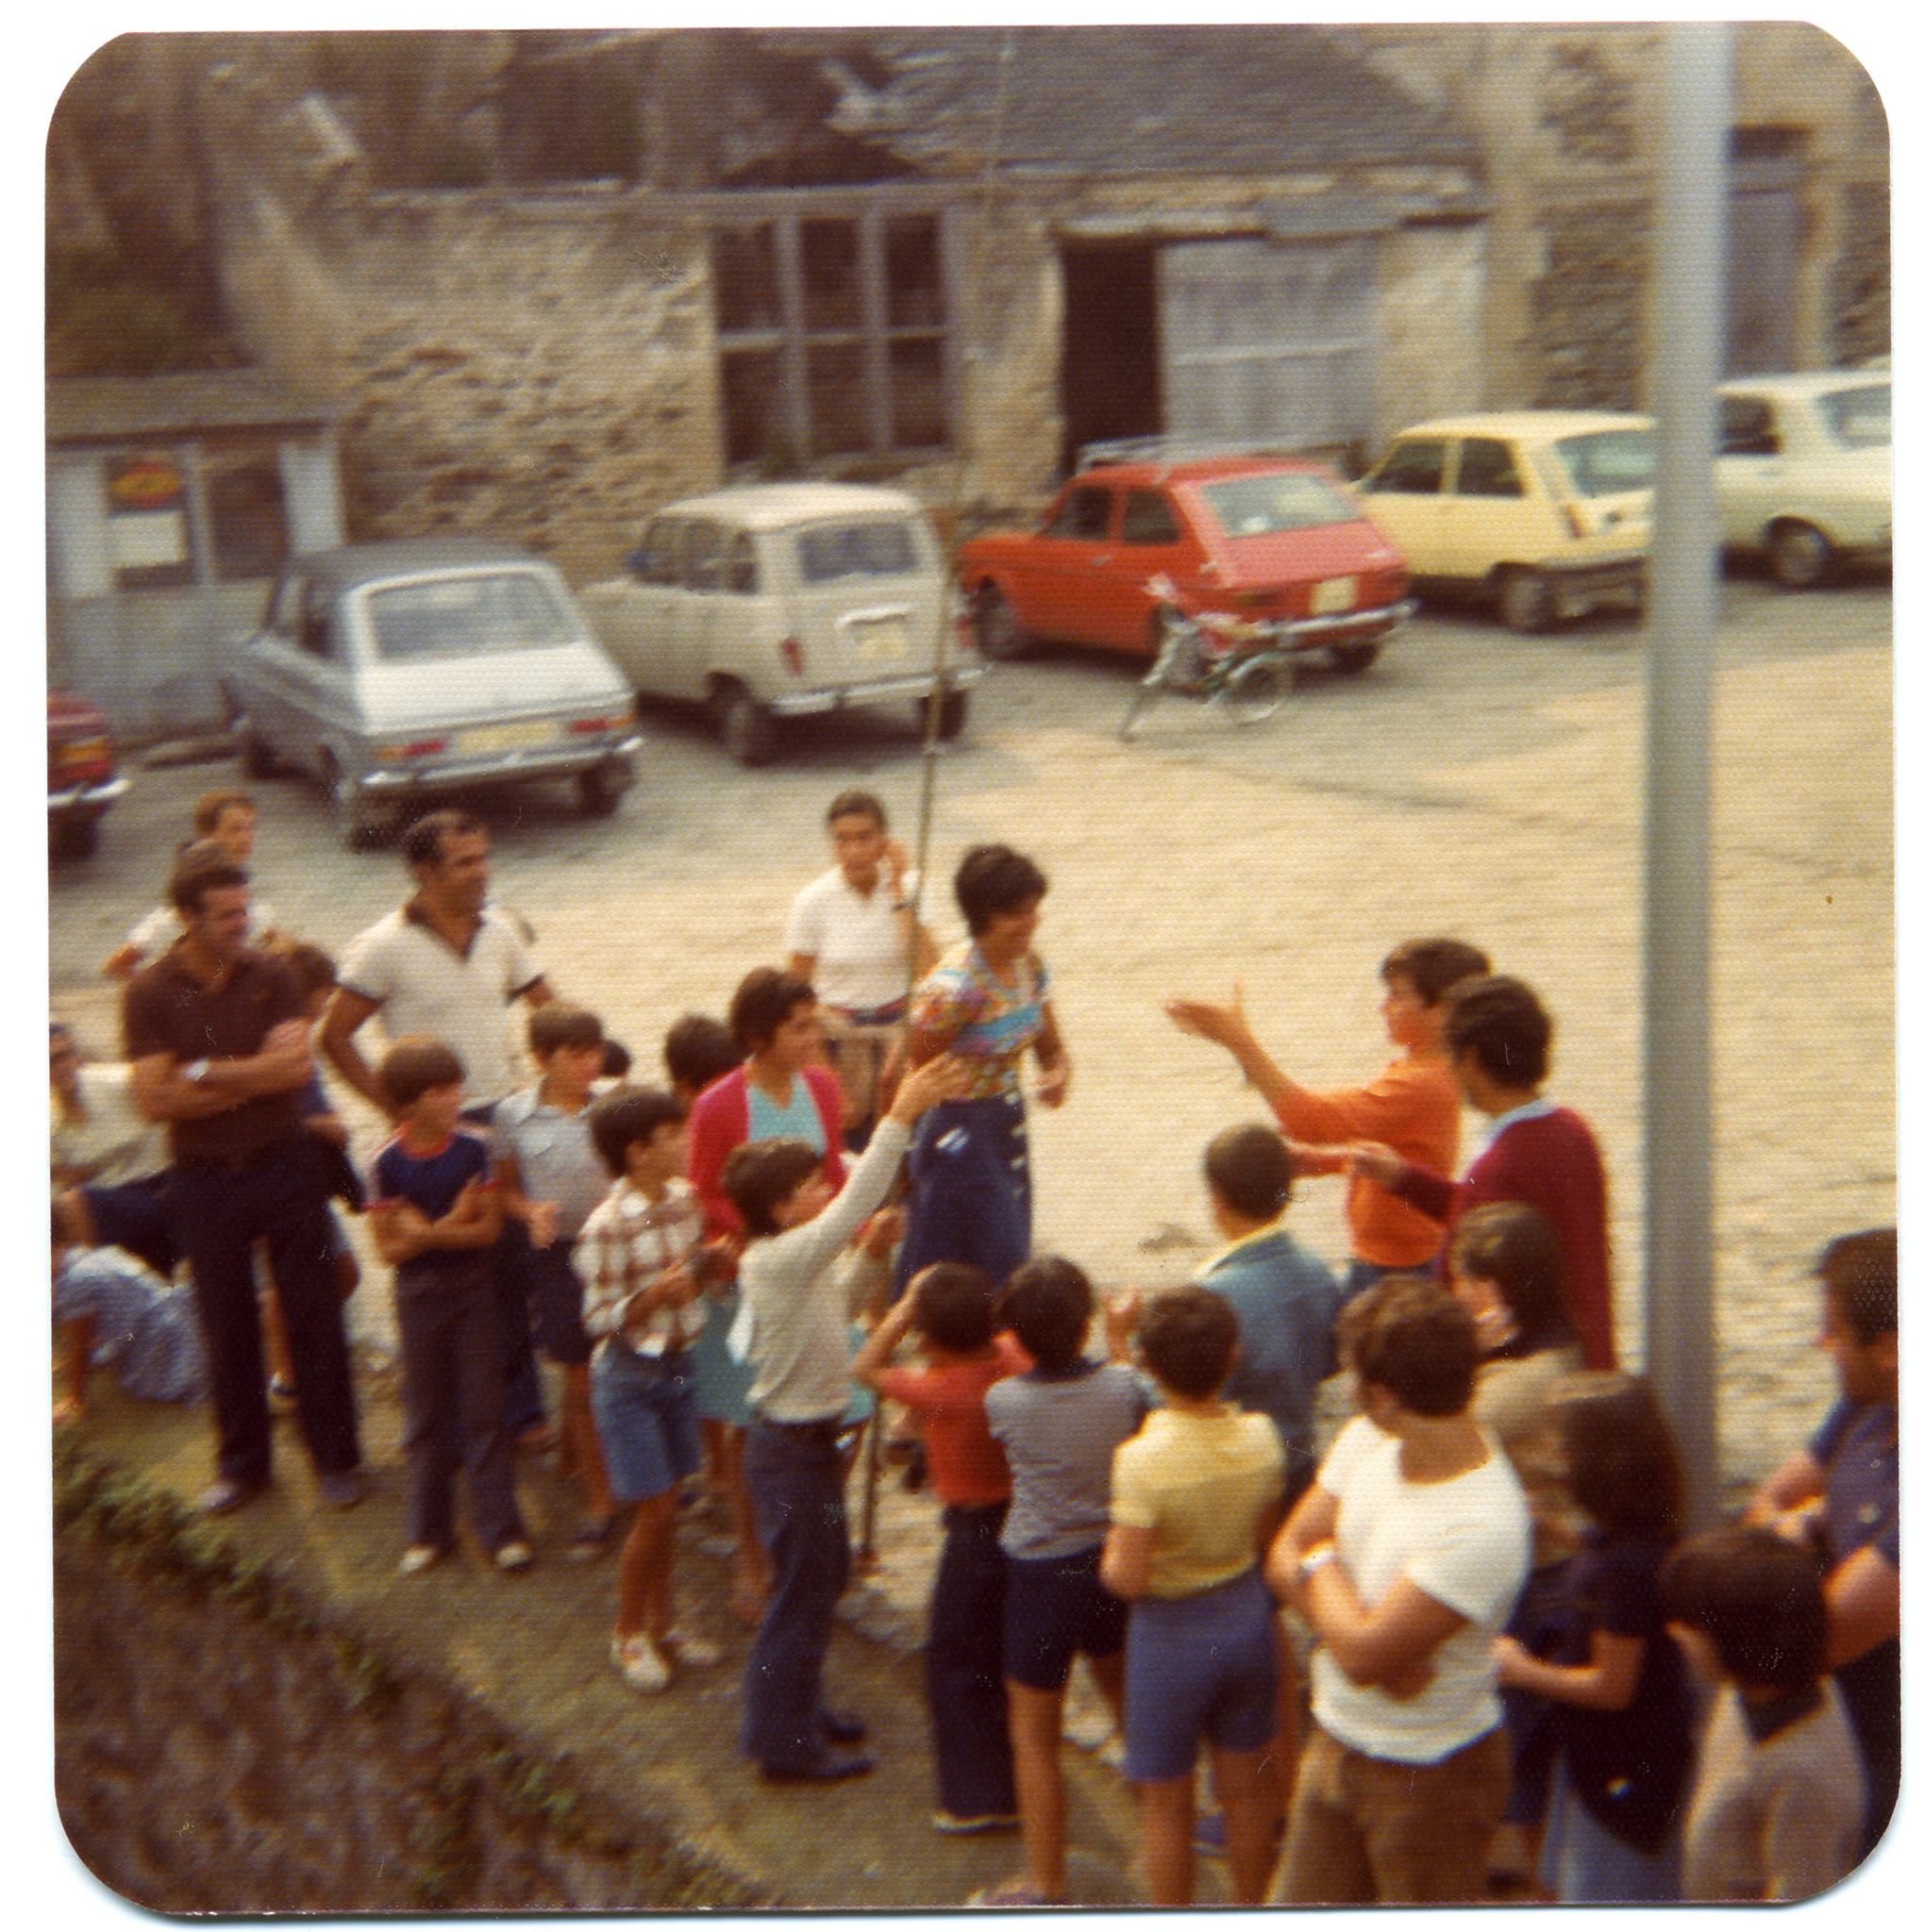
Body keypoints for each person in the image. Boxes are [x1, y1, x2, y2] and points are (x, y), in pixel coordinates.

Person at [721, 1051, 967, 1784]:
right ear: (778, 1211)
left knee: (818, 1584)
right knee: (799, 1594)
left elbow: (837, 1302)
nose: (823, 1192)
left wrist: (871, 1259)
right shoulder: (777, 1259)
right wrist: (898, 1120)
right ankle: (781, 1741)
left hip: (806, 1446)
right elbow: (853, 1205)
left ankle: (798, 1703)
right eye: (808, 1188)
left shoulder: (796, 1263)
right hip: (789, 1451)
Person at [1266, 1274, 1531, 1905]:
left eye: (1351, 1378)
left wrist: (1322, 1562)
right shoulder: (1367, 1439)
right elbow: (1279, 1554)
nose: (1345, 1391)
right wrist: (1352, 1642)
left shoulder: (1482, 1521)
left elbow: (1345, 1627)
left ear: (1383, 1397)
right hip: (1335, 1740)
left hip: (1431, 1779)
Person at [122, 848, 361, 1515]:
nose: (241, 923)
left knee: (313, 1309)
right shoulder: (148, 991)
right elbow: (153, 1102)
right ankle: (242, 1468)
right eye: (225, 914)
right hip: (204, 1178)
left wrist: (199, 1072)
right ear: (185, 917)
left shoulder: (274, 973)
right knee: (225, 1323)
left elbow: (290, 1074)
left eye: (244, 909)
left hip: (286, 1164)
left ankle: (336, 1460)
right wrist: (245, 1078)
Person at [322, 810, 556, 1441]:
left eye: (483, 857)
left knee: (508, 1267)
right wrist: (394, 1108)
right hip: (433, 1136)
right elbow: (334, 1036)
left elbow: (548, 1009)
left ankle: (521, 1410)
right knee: (439, 1277)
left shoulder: (501, 930)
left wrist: (552, 1076)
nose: (481, 871)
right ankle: (448, 1414)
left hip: (497, 1118)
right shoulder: (382, 946)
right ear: (424, 873)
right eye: (465, 862)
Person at [1187, 1122, 1347, 1852]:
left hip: (1243, 1483)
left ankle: (1271, 1797)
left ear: (1218, 1200)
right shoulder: (1318, 1272)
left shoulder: (1216, 1293)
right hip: (1303, 1465)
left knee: (1258, 1641)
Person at [1166, 936, 1490, 1294]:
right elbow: (1405, 1154)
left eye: (1397, 996)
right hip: (1400, 1256)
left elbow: (1310, 1119)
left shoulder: (1420, 1084)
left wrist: (1238, 1041)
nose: (1384, 1007)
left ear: (1441, 1011)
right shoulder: (1427, 1069)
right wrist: (1325, 1163)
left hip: (1395, 1270)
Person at [969, 1257, 1146, 1909]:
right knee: (1127, 1700)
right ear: (1084, 1322)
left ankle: (1045, 1886)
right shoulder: (1123, 1388)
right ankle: (1156, 1812)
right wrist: (1119, 1333)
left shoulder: (1004, 1400)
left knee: (1034, 1739)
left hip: (1040, 1577)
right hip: (1106, 1564)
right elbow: (1129, 1389)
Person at [1101, 1287, 1285, 1907]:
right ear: (1232, 1357)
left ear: (1149, 1366)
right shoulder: (1262, 1438)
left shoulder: (1139, 1461)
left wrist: (1105, 1556)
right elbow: (1261, 1540)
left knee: (1165, 1801)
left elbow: (1126, 1579)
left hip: (1169, 1637)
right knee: (1247, 1795)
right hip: (1243, 1619)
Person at [1492, 1374, 1695, 1902]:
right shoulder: (1640, 1531)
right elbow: (1604, 1554)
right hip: (1607, 1762)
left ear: (1601, 1460)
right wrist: (1555, 1527)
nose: (1550, 1454)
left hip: (1624, 1772)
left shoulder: (1627, 1567)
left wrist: (1522, 1669)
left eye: (1560, 1444)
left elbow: (1612, 1686)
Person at [1350, 974, 1616, 1371]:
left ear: (1471, 1060)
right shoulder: (1571, 1130)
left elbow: (1472, 1267)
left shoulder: (1500, 1166)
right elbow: (1485, 1214)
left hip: (1521, 1374)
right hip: (1580, 1355)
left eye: (1449, 1054)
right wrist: (1405, 1179)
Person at [852, 1263, 1027, 1834]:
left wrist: (903, 1307)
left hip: (973, 1537)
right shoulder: (1009, 1357)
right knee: (1001, 1656)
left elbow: (866, 1366)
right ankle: (1014, 1776)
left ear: (929, 1339)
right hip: (1019, 1523)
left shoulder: (942, 1389)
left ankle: (976, 1798)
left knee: (954, 1662)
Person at [1743, 1227, 1898, 1855]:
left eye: (1831, 1331)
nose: (1818, 1342)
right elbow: (1766, 1504)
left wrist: (1797, 1534)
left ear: (1887, 1347)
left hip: (1881, 1782)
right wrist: (1805, 1528)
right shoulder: (1866, 1408)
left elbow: (1819, 1636)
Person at [1446, 1198, 1586, 1877]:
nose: (1451, 1294)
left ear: (1495, 1292)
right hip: (1548, 1574)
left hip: (1533, 1589)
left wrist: (1462, 1354)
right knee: (1525, 1763)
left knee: (1505, 1757)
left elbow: (1433, 1438)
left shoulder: (1508, 1390)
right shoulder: (1554, 1348)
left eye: (1461, 1281)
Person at [577, 1086, 723, 1692]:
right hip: (631, 1379)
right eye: (674, 1137)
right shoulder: (605, 1227)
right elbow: (596, 1319)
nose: (686, 1145)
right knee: (656, 1510)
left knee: (668, 1511)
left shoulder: (685, 1202)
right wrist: (651, 1299)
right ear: (637, 1152)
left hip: (679, 1367)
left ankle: (663, 1622)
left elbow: (693, 1269)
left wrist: (707, 1266)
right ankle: (627, 1632)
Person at [368, 1037, 532, 1575]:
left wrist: (430, 1231)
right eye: (440, 1091)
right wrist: (449, 1226)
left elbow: (487, 1233)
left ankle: (501, 1530)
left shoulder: (475, 1146)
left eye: (456, 1086)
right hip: (418, 1298)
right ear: (408, 1103)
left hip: (472, 1290)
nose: (456, 1098)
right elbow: (388, 1250)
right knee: (427, 1414)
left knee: (485, 1409)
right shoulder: (385, 1162)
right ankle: (428, 1531)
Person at [895, 845, 1070, 1297]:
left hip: (1006, 1126)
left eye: (1034, 910)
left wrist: (1057, 1074)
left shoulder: (1030, 967)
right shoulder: (952, 988)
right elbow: (913, 1071)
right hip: (957, 1133)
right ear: (983, 915)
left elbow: (1051, 1049)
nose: (1031, 922)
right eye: (1017, 914)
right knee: (986, 1260)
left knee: (1007, 1250)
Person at [1662, 1526, 1867, 1901]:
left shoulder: (1803, 1778)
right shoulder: (1742, 1689)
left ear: (1741, 1640)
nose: (1675, 1632)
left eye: (1692, 1625)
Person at [493, 1004, 621, 1555]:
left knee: (625, 1365)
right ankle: (600, 1501)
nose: (590, 1064)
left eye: (595, 1052)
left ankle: (586, 1458)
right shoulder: (511, 1117)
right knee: (579, 1377)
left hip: (615, 1251)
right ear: (541, 1059)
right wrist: (528, 1213)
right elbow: (503, 1188)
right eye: (576, 1055)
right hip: (557, 1256)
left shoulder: (616, 1108)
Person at [662, 1012, 767, 1622]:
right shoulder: (677, 1137)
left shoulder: (736, 1115)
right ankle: (719, 1481)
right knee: (719, 1397)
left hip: (742, 1271)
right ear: (681, 1087)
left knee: (742, 1406)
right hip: (710, 1279)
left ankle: (726, 1481)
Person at [786, 790, 937, 1148]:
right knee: (851, 1150)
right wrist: (828, 1078)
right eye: (843, 840)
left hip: (898, 1036)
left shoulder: (912, 887)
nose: (853, 851)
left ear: (884, 841)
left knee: (908, 1146)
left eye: (864, 838)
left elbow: (931, 971)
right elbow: (794, 998)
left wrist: (899, 892)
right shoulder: (812, 901)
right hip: (839, 1041)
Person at [102, 790, 278, 981]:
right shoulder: (181, 914)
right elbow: (117, 966)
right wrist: (165, 999)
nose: (246, 838)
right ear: (206, 836)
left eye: (250, 828)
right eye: (235, 830)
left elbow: (277, 950)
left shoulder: (247, 900)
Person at [53, 1210, 207, 1423]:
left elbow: (79, 1347)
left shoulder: (75, 1281)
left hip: (165, 1352)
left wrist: (74, 1399)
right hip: (178, 1325)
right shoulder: (94, 1255)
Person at [51, 1018, 176, 1281]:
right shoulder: (50, 1121)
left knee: (72, 1204)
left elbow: (169, 1096)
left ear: (76, 1056)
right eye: (49, 1062)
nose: (57, 1068)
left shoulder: (116, 1081)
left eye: (62, 1056)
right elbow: (64, 1180)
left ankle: (91, 1283)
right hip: (116, 1212)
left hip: (163, 1192)